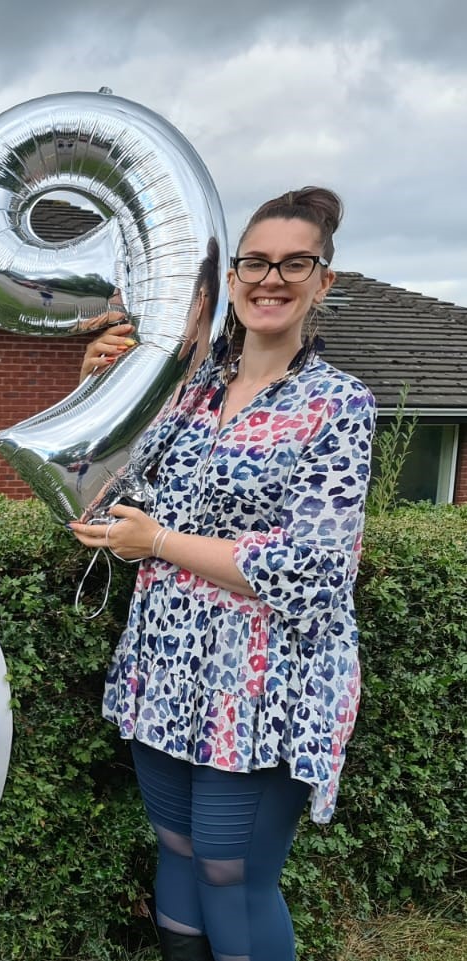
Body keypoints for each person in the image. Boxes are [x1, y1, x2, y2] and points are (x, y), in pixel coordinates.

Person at [68, 187, 375, 961]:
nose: (272, 279)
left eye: (294, 263)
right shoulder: (189, 388)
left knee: (232, 871)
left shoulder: (339, 405)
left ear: (323, 279)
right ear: (232, 277)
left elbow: (311, 568)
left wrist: (161, 541)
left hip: (264, 680)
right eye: (256, 263)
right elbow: (105, 495)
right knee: (177, 851)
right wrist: (101, 388)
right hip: (168, 663)